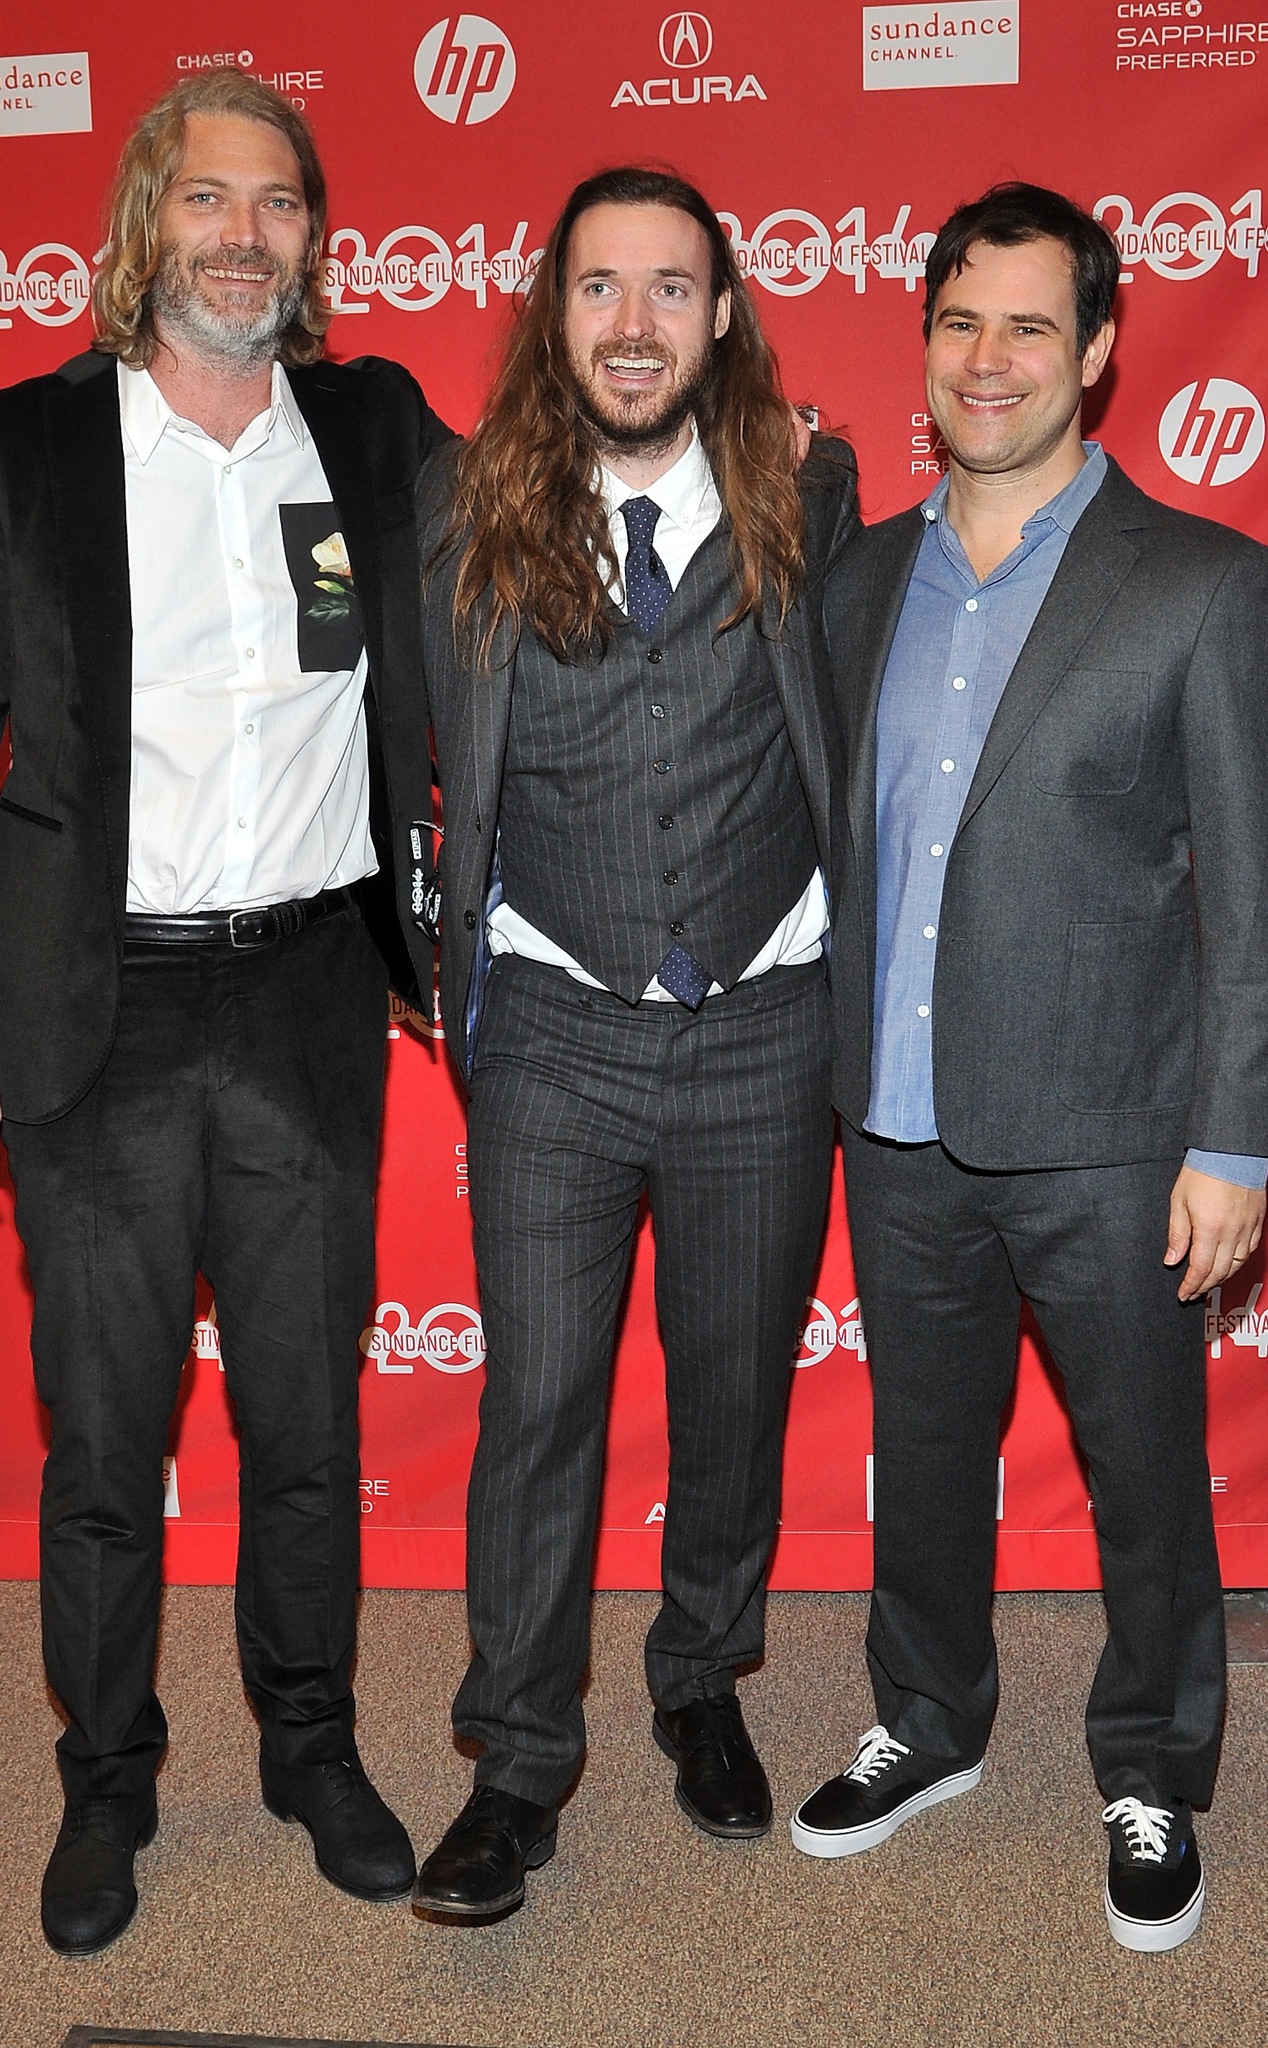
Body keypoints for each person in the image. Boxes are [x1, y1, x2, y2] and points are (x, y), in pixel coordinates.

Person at [0, 69, 451, 1956]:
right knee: (108, 1446)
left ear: (312, 236)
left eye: (279, 204)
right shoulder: (16, 446)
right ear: (147, 220)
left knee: (302, 1420)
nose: (244, 236)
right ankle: (107, 1783)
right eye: (211, 199)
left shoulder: (367, 427)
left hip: (303, 997)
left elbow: (542, 520)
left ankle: (313, 1752)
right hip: (87, 1012)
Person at [790, 183, 1268, 1954]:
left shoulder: (1204, 583)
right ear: (921, 345)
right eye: (958, 323)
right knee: (924, 1451)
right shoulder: (858, 580)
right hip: (901, 1125)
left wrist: (1233, 1143)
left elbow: (1256, 899)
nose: (988, 359)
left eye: (1028, 326)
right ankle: (929, 1722)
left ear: (1093, 352)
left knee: (1143, 1472)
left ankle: (1154, 1761)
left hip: (1111, 1132)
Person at [413, 166, 859, 1921]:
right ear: (554, 311)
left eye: (672, 287)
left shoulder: (807, 487)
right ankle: (516, 1766)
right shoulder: (459, 500)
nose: (633, 322)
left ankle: (699, 1682)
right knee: (540, 1407)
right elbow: (396, 733)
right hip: (550, 1032)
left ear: (723, 315)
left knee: (735, 1388)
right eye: (600, 286)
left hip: (764, 1020)